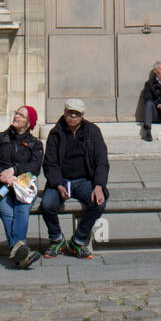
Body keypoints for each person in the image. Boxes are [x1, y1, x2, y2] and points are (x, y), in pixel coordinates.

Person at [40, 99, 108, 259]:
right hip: (61, 180)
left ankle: (78, 240)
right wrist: (57, 184)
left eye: (76, 114)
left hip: (84, 180)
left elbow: (102, 161)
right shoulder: (55, 133)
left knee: (98, 203)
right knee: (47, 205)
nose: (72, 116)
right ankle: (56, 239)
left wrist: (98, 185)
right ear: (64, 113)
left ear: (82, 116)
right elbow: (50, 163)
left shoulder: (93, 131)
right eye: (69, 113)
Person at [0, 106, 43, 268]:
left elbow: (35, 167)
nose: (16, 116)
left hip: (23, 187)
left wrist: (15, 171)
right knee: (8, 212)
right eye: (16, 113)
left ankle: (19, 253)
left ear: (29, 122)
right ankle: (21, 252)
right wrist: (2, 175)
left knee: (22, 208)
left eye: (21, 115)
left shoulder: (35, 144)